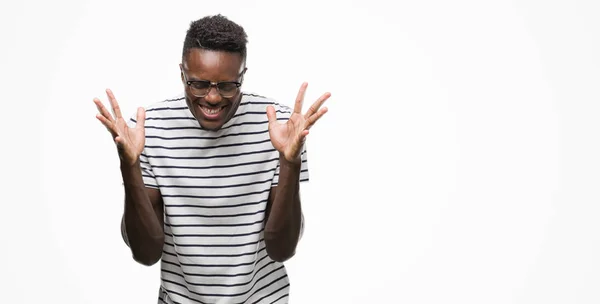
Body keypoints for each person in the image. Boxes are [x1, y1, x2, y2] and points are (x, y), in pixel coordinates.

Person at [93, 14, 330, 304]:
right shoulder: (150, 129)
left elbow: (282, 249)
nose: (213, 97)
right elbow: (146, 253)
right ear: (182, 74)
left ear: (242, 75)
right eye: (199, 84)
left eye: (228, 85)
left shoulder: (281, 127)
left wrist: (289, 162)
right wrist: (129, 166)